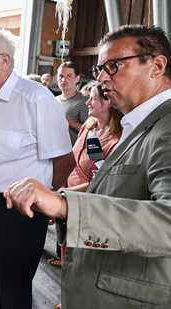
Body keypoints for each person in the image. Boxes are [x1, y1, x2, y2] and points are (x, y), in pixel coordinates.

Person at [5, 24, 171, 308]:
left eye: (113, 66)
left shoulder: (166, 127)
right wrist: (61, 199)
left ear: (156, 65)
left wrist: (66, 207)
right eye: (99, 69)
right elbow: (119, 192)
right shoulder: (138, 123)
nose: (103, 77)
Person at [0, 29, 75, 309]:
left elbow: (64, 162)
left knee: (13, 294)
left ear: (5, 60)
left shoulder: (35, 98)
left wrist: (45, 203)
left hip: (17, 212)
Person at [47, 81, 123, 268]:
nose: (88, 103)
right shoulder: (90, 126)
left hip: (85, 205)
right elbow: (73, 161)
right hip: (67, 196)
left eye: (93, 99)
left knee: (80, 261)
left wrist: (60, 198)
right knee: (65, 252)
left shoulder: (117, 140)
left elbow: (100, 182)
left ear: (108, 103)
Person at [56, 61, 90, 146]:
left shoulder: (85, 101)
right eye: (61, 76)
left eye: (69, 76)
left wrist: (65, 119)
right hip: (53, 150)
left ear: (77, 78)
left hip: (72, 153)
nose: (64, 80)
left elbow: (89, 131)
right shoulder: (54, 100)